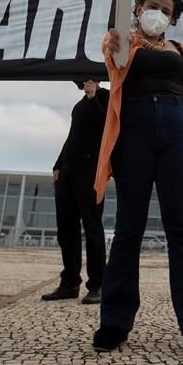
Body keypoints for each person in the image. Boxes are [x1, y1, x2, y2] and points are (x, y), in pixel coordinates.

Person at [93, 0, 183, 362]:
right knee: (129, 225)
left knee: (180, 227)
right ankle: (115, 320)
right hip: (134, 128)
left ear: (173, 17)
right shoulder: (121, 43)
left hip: (177, 126)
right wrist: (114, 45)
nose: (158, 13)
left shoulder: (182, 51)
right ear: (137, 9)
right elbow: (112, 65)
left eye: (166, 10)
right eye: (151, 5)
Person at [42, 78, 109, 305]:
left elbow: (104, 127)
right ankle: (69, 283)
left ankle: (98, 285)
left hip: (90, 169)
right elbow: (72, 137)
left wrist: (92, 97)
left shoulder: (106, 97)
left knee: (92, 227)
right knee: (66, 229)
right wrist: (58, 165)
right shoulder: (79, 105)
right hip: (69, 169)